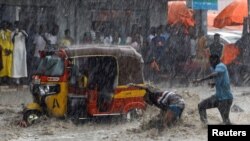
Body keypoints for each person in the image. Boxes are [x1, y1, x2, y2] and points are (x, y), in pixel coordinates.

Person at [193, 54, 233, 125]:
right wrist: (214, 84)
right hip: (218, 98)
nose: (210, 63)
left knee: (226, 122)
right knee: (201, 106)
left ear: (215, 60)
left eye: (211, 61)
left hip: (225, 100)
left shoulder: (220, 66)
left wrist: (201, 80)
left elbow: (214, 74)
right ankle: (205, 126)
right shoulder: (218, 67)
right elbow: (223, 80)